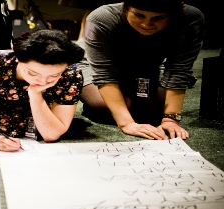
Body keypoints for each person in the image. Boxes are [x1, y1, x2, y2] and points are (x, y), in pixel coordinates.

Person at [77, 0, 205, 140]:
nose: (146, 24)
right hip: (91, 63)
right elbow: (103, 73)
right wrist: (127, 123)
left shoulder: (190, 17)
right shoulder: (101, 18)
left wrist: (171, 119)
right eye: (139, 15)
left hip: (148, 64)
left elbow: (179, 68)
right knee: (104, 104)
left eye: (159, 18)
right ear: (126, 8)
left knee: (155, 105)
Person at [0, 29, 84, 152]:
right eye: (33, 73)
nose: (42, 82)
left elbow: (51, 134)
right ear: (18, 59)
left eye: (53, 76)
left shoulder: (70, 74)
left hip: (42, 114)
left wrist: (35, 94)